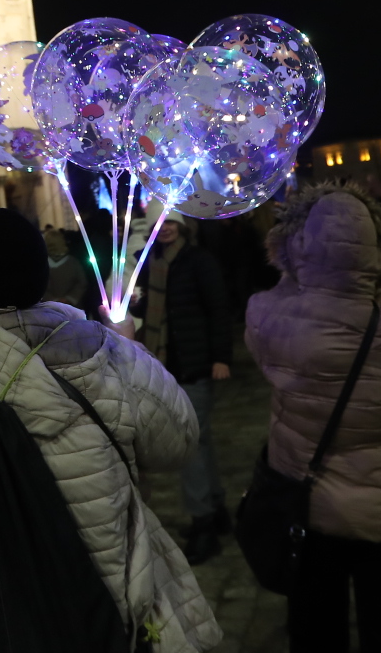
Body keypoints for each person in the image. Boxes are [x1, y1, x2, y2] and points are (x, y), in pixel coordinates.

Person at [0, 208, 222, 652]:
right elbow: (178, 442)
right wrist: (132, 346)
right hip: (99, 611)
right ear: (41, 274)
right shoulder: (109, 354)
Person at [248, 182, 381, 653]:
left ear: (293, 247)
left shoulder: (265, 315)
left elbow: (273, 320)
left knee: (315, 633)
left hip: (308, 510)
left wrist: (295, 272)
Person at [135, 214, 233, 565]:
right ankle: (216, 509)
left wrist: (221, 357)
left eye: (171, 223)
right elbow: (147, 307)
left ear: (182, 226)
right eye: (159, 224)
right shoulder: (148, 263)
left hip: (195, 362)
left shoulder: (198, 261)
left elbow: (218, 309)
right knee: (199, 440)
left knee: (190, 440)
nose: (165, 229)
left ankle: (203, 522)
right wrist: (132, 302)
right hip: (165, 364)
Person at [42, 223, 91, 308]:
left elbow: (38, 286)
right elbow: (82, 283)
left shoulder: (41, 265)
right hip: (72, 308)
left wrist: (53, 300)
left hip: (49, 309)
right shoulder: (73, 262)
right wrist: (69, 299)